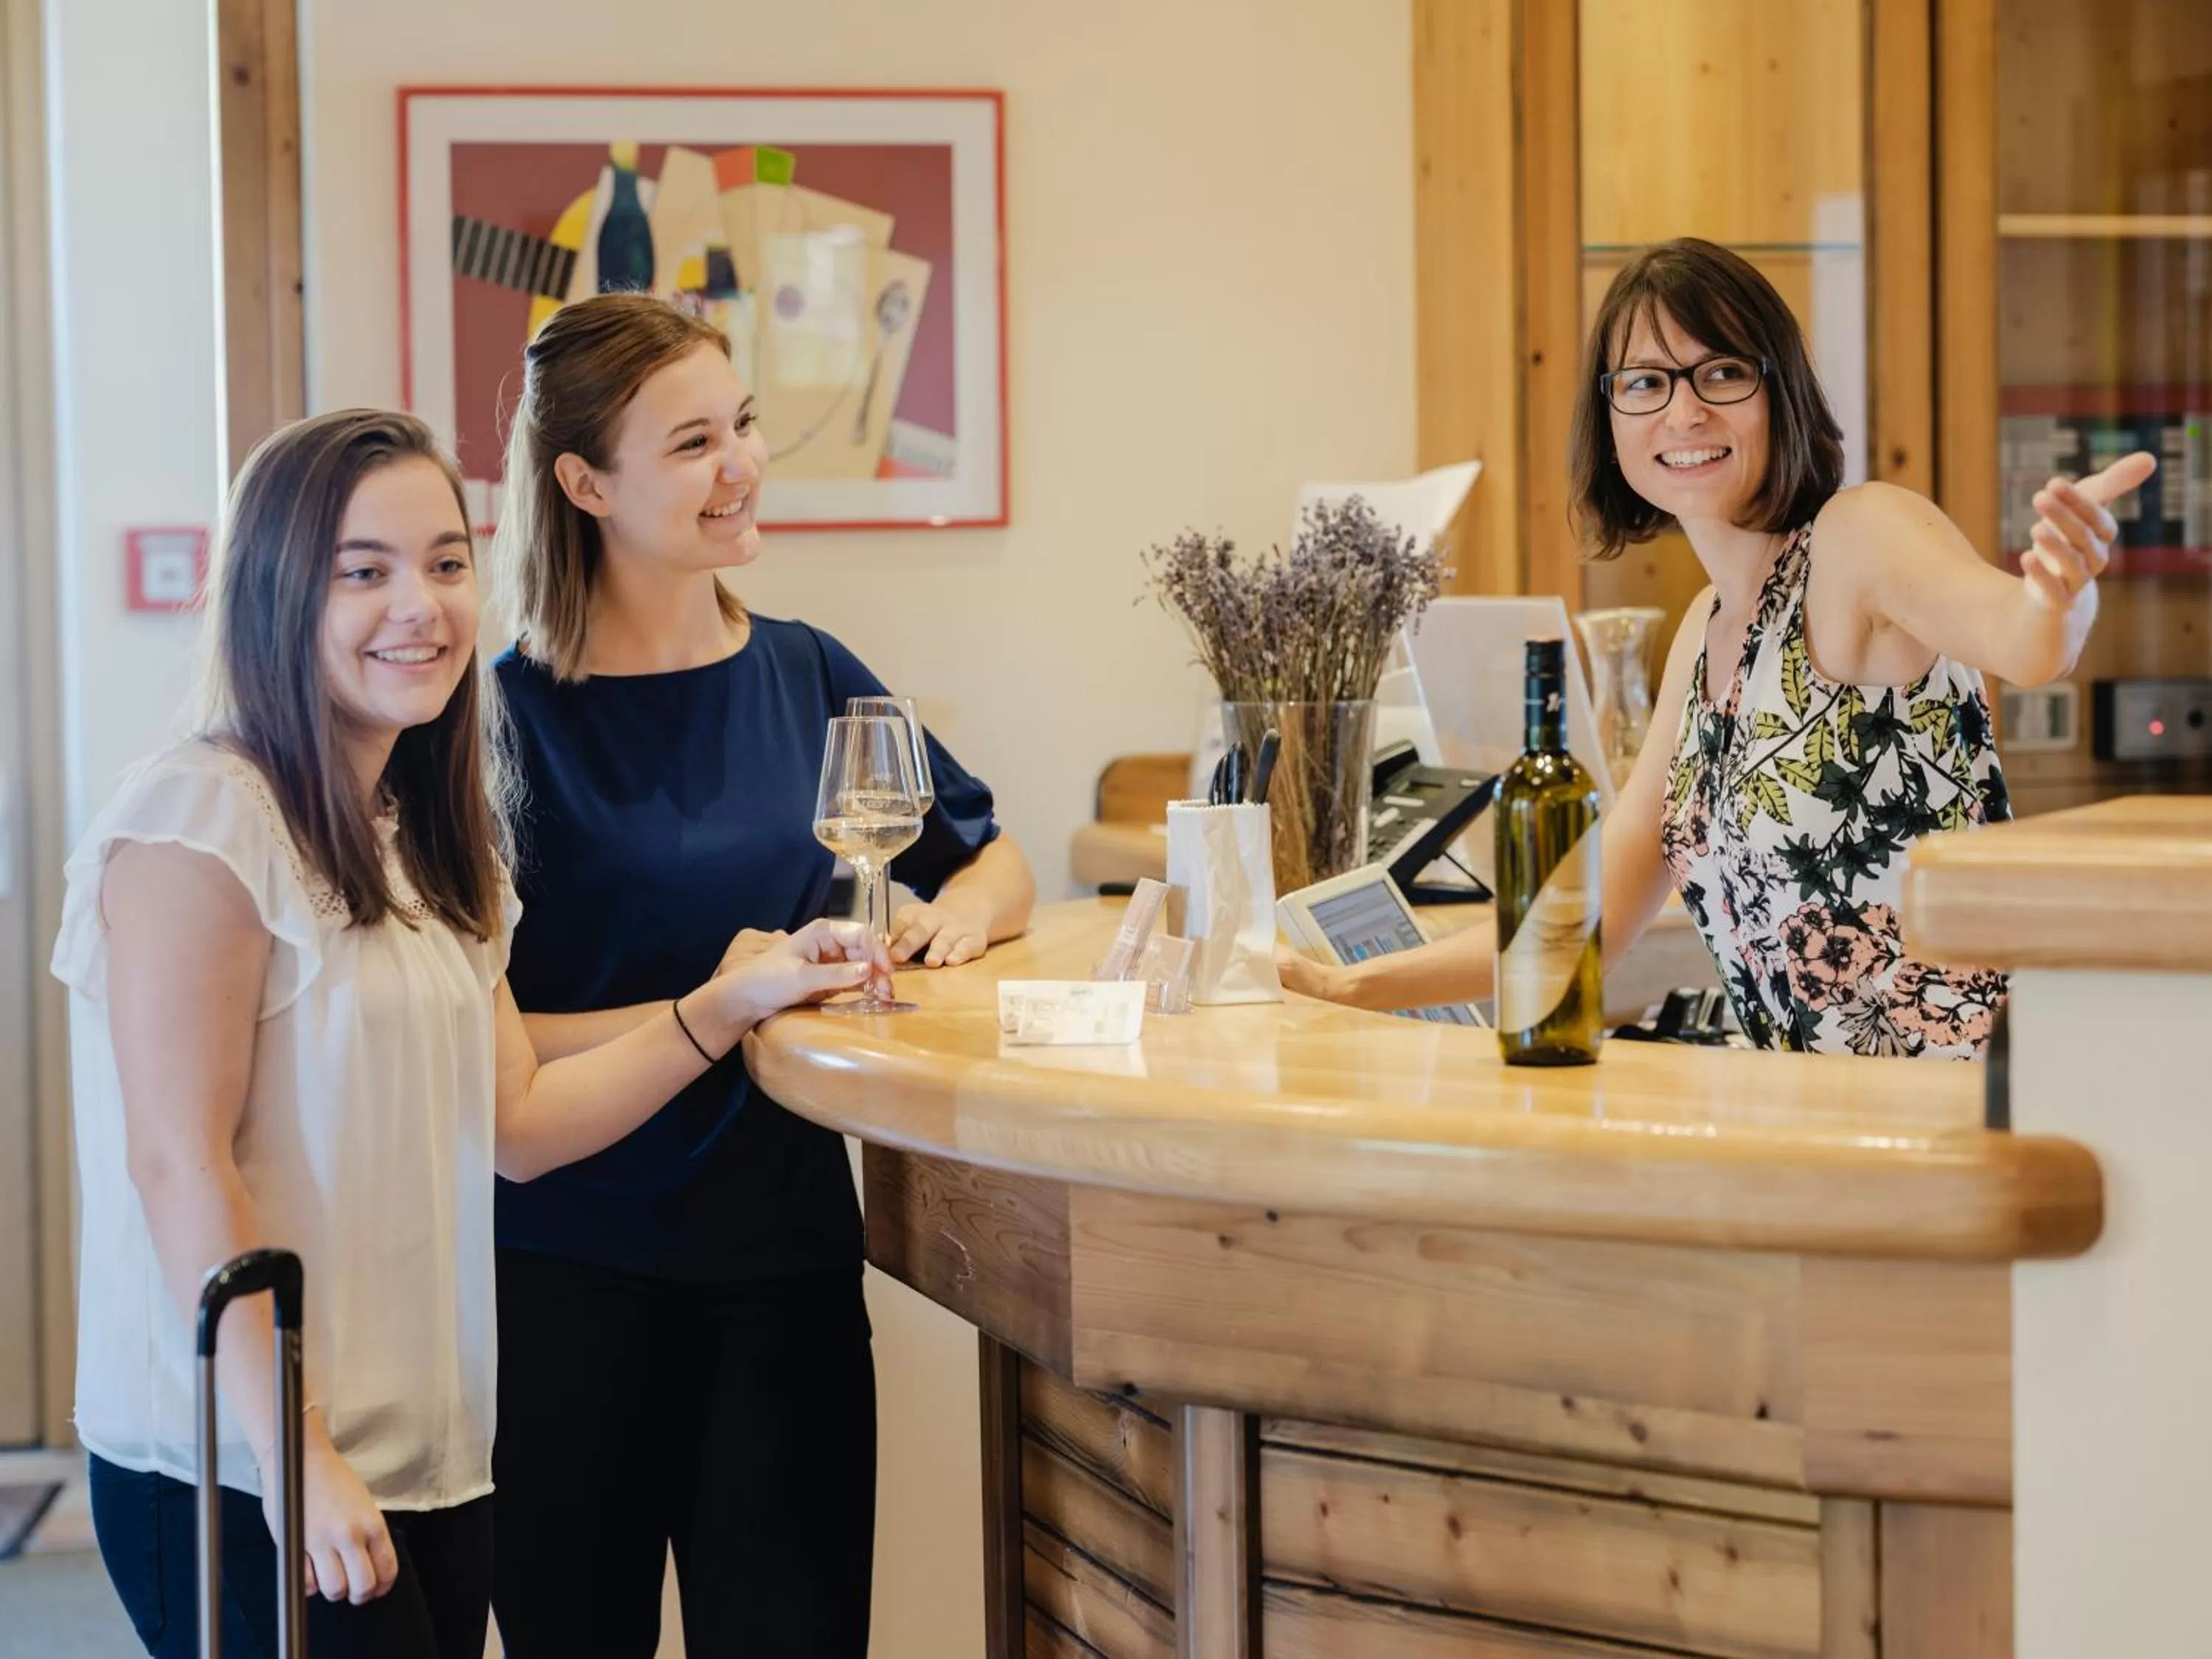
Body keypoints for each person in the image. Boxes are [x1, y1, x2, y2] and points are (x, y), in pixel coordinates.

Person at [54, 409, 888, 1658]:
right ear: (279, 592)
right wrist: (296, 1459)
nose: (422, 606)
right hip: (245, 1470)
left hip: (432, 1458)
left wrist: (728, 1003)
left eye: (446, 563)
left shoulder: (427, 834)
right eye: (365, 570)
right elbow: (180, 1162)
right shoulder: (199, 822)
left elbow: (516, 1125)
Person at [484, 293, 1036, 1657]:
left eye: (741, 426)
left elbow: (994, 857)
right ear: (584, 483)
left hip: (780, 1264)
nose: (739, 467)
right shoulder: (492, 721)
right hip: (561, 1282)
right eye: (690, 444)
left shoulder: (809, 673)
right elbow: (486, 1053)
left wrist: (951, 920)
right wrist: (730, 1008)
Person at [1283, 237, 2154, 1057]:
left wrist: (2058, 592)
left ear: (1782, 393)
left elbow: (2026, 640)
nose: (1684, 410)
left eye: (1722, 373)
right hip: (1815, 1129)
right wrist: (1339, 986)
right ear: (1610, 415)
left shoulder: (1858, 538)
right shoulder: (1705, 632)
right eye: (1645, 383)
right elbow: (1587, 918)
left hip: (1959, 1117)